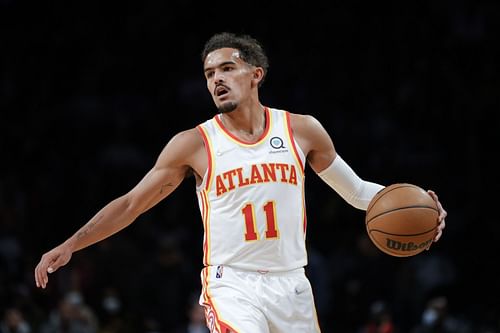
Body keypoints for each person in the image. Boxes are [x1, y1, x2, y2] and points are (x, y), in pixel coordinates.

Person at [34, 32, 447, 333]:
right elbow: (130, 205)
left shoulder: (302, 130)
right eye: (209, 72)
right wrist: (72, 244)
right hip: (231, 282)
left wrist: (424, 206)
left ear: (255, 74)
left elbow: (358, 193)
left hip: (292, 283)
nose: (216, 78)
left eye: (227, 68)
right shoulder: (193, 144)